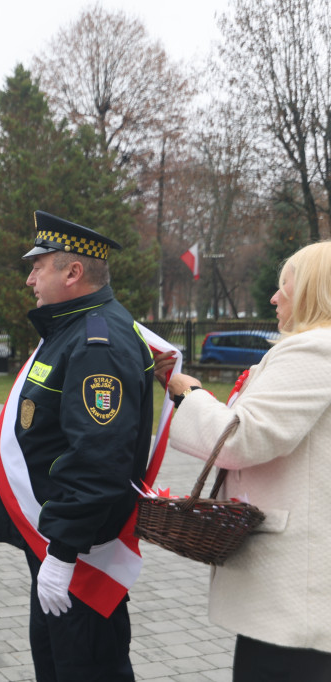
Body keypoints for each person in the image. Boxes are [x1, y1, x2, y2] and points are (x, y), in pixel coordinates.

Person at [0, 212, 154, 682]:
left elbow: (98, 459)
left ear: (73, 272)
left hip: (79, 556)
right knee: (58, 666)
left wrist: (61, 554)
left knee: (87, 669)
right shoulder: (71, 329)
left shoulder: (96, 341)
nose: (29, 278)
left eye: (38, 267)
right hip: (62, 548)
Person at [162, 241, 331, 681]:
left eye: (285, 288)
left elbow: (244, 439)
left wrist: (188, 393)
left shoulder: (315, 349)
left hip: (295, 598)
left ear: (314, 292)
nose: (274, 298)